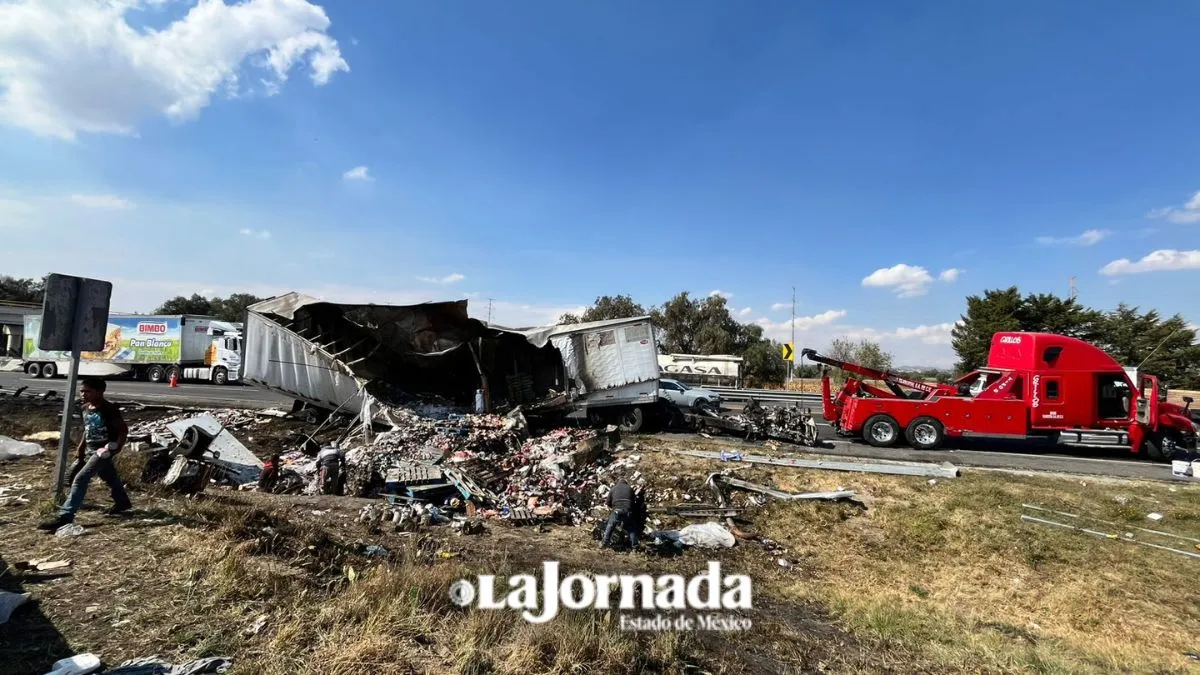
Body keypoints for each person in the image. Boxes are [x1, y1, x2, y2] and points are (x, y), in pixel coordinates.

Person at [38, 378, 132, 531]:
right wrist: (81, 447)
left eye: (88, 391)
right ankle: (122, 503)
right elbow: (87, 429)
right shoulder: (85, 408)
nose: (83, 394)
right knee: (109, 477)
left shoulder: (108, 409)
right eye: (82, 391)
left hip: (103, 451)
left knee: (80, 478)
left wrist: (117, 447)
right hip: (89, 449)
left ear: (100, 392)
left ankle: (65, 517)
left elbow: (122, 430)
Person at [601, 476, 639, 549]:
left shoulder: (613, 489)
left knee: (610, 525)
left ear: (617, 482)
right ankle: (635, 546)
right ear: (625, 482)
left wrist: (614, 506)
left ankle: (604, 543)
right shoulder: (629, 488)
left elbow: (608, 503)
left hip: (617, 511)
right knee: (631, 529)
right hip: (628, 511)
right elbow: (634, 501)